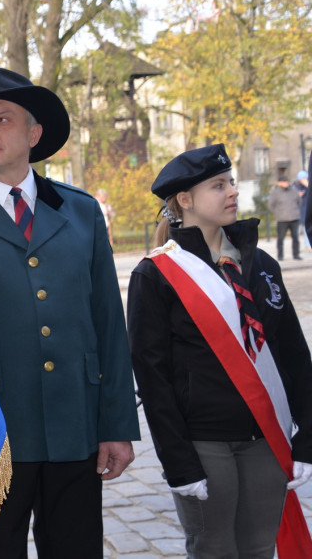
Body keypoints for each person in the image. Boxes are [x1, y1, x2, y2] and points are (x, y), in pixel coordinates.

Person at [0, 68, 140, 559]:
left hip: (74, 428)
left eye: (3, 119)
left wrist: (116, 424)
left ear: (33, 134)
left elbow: (108, 325)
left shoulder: (81, 213)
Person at [127, 144, 312, 558]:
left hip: (266, 438)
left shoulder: (261, 264)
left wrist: (307, 437)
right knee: (214, 550)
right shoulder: (155, 275)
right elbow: (153, 379)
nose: (232, 192)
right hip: (203, 442)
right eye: (218, 185)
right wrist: (179, 463)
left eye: (231, 182)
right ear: (186, 200)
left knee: (260, 548)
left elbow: (295, 356)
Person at [268, 174, 302, 260]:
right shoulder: (275, 193)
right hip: (282, 219)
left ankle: (296, 254)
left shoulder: (293, 190)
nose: (286, 183)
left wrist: (296, 210)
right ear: (280, 183)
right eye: (284, 181)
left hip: (294, 218)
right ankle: (280, 255)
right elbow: (270, 205)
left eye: (287, 181)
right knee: (280, 239)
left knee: (295, 238)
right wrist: (277, 213)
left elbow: (300, 201)